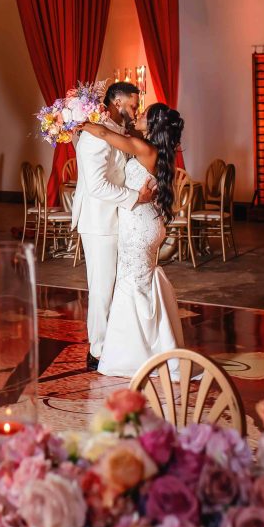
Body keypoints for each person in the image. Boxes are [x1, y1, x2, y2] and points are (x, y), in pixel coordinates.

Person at [81, 102, 185, 379]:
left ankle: (136, 354)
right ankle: (151, 346)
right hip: (147, 223)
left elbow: (104, 134)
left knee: (132, 286)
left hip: (139, 226)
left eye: (144, 114)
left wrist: (80, 122)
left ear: (153, 125)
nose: (138, 115)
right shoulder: (155, 150)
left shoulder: (144, 148)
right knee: (139, 284)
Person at [71, 82, 154, 372]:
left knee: (113, 285)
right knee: (102, 287)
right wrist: (136, 197)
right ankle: (97, 350)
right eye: (133, 105)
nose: (136, 110)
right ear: (117, 102)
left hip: (116, 219)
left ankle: (112, 344)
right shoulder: (95, 134)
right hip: (99, 221)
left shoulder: (114, 130)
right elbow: (97, 186)